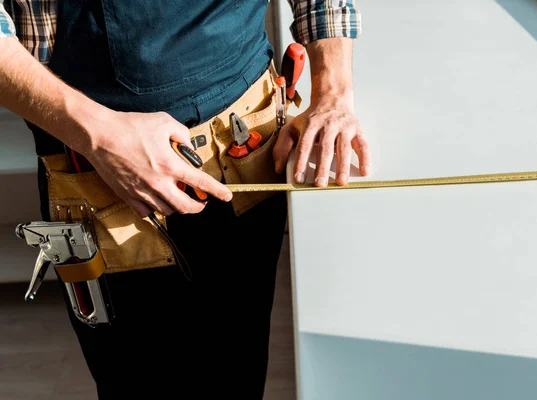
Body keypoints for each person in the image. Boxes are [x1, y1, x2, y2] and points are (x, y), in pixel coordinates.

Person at [0, 0, 370, 398]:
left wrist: (333, 92)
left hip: (248, 144)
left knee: (237, 371)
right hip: (97, 173)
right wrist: (100, 135)